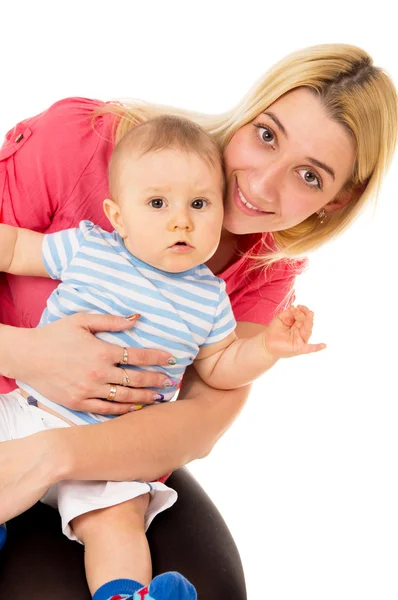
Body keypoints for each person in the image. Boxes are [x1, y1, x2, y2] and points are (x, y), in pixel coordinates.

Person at [0, 44, 396, 599]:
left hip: (104, 455)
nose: (260, 186)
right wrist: (25, 354)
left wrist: (53, 456)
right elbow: (15, 248)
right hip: (13, 409)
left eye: (309, 175)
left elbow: (204, 416)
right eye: (266, 135)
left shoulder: (258, 270)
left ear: (336, 200)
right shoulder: (81, 148)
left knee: (201, 583)